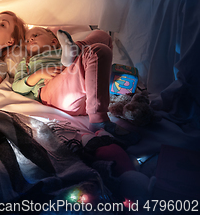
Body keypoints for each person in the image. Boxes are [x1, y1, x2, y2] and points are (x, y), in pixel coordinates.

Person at [12, 27, 140, 145]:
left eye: (35, 35)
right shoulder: (27, 61)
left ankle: (75, 50)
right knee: (97, 51)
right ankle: (99, 120)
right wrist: (39, 74)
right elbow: (17, 87)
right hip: (53, 92)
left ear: (54, 41)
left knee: (103, 37)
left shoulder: (63, 47)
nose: (31, 39)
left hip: (90, 95)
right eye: (27, 40)